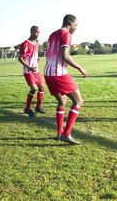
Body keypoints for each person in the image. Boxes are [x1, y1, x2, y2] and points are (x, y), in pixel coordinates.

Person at [44, 14, 87, 145]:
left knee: (62, 101)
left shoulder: (52, 34)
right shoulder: (66, 34)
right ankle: (66, 134)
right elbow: (65, 56)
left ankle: (59, 133)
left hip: (47, 73)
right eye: (76, 25)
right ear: (70, 23)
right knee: (78, 101)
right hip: (59, 73)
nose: (76, 28)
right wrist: (80, 68)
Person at [19, 25, 46, 117]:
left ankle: (38, 107)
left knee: (42, 87)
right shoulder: (25, 44)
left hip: (36, 70)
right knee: (33, 88)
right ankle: (27, 108)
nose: (38, 34)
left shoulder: (37, 43)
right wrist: (29, 67)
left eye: (39, 32)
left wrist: (37, 60)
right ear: (31, 32)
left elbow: (35, 55)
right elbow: (20, 58)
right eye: (36, 32)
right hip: (28, 70)